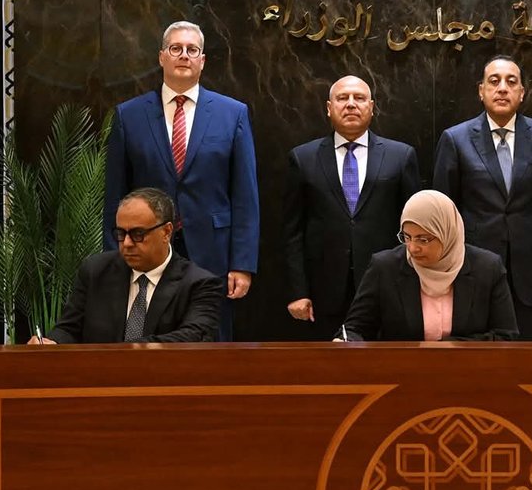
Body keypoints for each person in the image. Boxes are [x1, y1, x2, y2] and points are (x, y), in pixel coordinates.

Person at [105, 20, 259, 341]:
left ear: (202, 60)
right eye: (176, 48)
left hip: (212, 251)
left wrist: (242, 264)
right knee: (146, 336)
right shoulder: (129, 116)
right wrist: (117, 257)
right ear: (162, 57)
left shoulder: (232, 114)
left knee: (211, 339)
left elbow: (245, 195)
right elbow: (115, 196)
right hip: (147, 247)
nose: (184, 55)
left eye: (192, 50)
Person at [432, 55, 532, 340]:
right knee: (479, 357)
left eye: (511, 82)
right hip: (473, 270)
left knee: (531, 356)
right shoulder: (455, 139)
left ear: (522, 92)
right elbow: (443, 217)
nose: (502, 88)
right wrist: (445, 274)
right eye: (494, 81)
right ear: (481, 90)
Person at [283, 75, 421, 340]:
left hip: (387, 286)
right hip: (323, 291)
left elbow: (414, 228)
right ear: (328, 107)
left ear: (372, 107)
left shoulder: (401, 156)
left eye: (359, 98)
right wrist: (298, 292)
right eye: (342, 98)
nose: (350, 104)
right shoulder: (303, 158)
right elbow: (292, 232)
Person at [32, 188, 223, 344]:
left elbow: (192, 337)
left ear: (166, 232)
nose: (127, 243)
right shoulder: (95, 271)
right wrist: (52, 343)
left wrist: (126, 352)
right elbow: (69, 329)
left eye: (138, 234)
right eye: (121, 234)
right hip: (99, 377)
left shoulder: (199, 284)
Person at [340, 190, 518, 341]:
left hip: (469, 368)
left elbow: (506, 336)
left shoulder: (487, 269)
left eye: (423, 239)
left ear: (447, 234)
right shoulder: (385, 268)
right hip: (401, 368)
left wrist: (446, 349)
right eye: (406, 237)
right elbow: (355, 329)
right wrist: (346, 341)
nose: (412, 248)